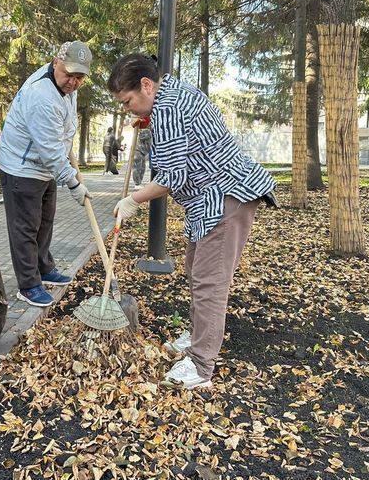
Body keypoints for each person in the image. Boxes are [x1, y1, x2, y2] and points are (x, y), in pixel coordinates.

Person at [108, 53, 278, 390]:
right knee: (194, 266)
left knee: (210, 280)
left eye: (128, 102)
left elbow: (171, 176)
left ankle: (200, 366)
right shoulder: (172, 95)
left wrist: (133, 199)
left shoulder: (168, 108)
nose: (129, 110)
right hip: (210, 198)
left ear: (146, 85)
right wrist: (148, 120)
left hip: (226, 196)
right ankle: (199, 335)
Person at [0, 40, 93, 308]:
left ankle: (44, 267)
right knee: (25, 227)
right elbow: (50, 150)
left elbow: (62, 131)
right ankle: (28, 284)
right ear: (55, 63)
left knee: (45, 221)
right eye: (69, 75)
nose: (73, 83)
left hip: (44, 167)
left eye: (79, 77)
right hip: (22, 167)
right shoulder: (41, 96)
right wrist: (74, 183)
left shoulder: (66, 86)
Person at [132, 125, 152, 189]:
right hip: (138, 151)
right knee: (137, 168)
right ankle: (137, 184)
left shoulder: (150, 132)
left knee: (143, 168)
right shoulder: (146, 131)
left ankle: (139, 182)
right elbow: (142, 137)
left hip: (143, 152)